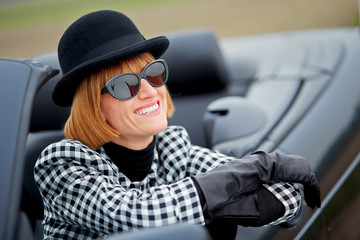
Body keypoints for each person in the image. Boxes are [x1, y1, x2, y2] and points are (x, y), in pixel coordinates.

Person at [34, 10, 321, 240]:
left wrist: (217, 199)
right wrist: (255, 168)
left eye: (153, 73)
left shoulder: (173, 149)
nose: (149, 91)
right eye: (125, 85)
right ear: (92, 105)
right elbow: (136, 217)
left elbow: (290, 197)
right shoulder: (62, 164)